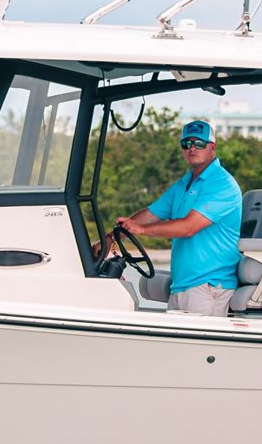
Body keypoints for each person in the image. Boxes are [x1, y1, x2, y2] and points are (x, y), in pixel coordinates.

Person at [99, 120, 242, 316]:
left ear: (212, 147)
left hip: (208, 286)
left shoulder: (222, 184)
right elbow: (151, 214)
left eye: (199, 143)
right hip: (182, 285)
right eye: (186, 143)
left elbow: (188, 228)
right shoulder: (183, 184)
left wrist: (141, 230)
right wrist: (110, 239)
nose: (192, 148)